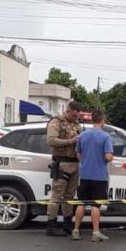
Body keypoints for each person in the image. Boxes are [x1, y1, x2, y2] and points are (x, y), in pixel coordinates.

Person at [73, 110, 113, 242]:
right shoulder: (106, 137)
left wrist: (85, 161)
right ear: (102, 120)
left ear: (92, 120)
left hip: (84, 175)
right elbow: (108, 156)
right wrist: (109, 157)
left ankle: (76, 230)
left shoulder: (82, 135)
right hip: (99, 176)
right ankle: (95, 232)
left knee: (81, 202)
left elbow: (78, 155)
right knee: (96, 205)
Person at [45, 100, 81, 237]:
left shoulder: (77, 124)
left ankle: (67, 224)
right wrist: (70, 141)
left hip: (74, 163)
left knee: (69, 196)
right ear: (67, 111)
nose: (75, 118)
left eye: (77, 116)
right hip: (62, 163)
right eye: (73, 115)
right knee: (57, 195)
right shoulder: (57, 122)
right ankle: (51, 226)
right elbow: (51, 140)